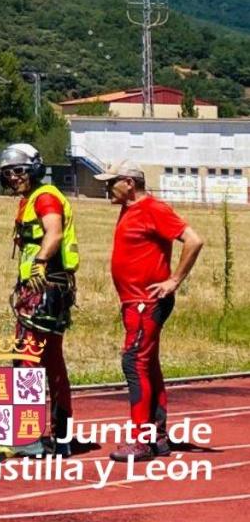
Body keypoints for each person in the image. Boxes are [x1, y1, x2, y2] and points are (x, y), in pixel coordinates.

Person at [99, 161, 206, 462]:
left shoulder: (153, 209)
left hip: (146, 303)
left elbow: (194, 240)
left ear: (130, 183)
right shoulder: (129, 209)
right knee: (147, 363)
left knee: (134, 362)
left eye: (112, 182)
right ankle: (157, 434)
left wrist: (174, 280)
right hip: (134, 303)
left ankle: (141, 439)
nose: (107, 187)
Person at [0, 142, 79, 454]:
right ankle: (62, 435)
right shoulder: (31, 199)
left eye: (18, 171)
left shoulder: (44, 197)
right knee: (51, 360)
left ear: (33, 169)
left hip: (45, 286)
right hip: (50, 286)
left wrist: (39, 265)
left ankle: (27, 436)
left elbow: (54, 233)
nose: (14, 177)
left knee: (27, 357)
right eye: (8, 173)